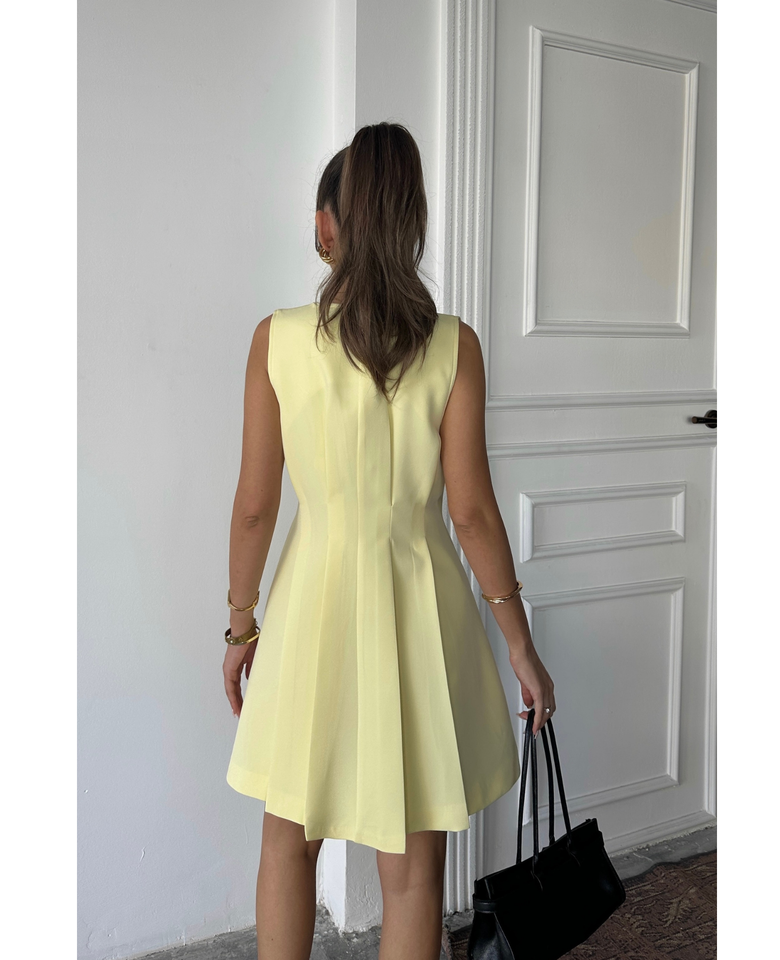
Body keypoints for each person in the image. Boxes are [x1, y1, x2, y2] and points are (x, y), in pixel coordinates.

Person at [221, 123, 555, 960]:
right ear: (412, 224)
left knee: (288, 839)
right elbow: (472, 513)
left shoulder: (277, 339)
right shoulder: (453, 345)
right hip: (421, 609)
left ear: (328, 227)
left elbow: (256, 508)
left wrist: (240, 626)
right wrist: (519, 645)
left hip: (310, 609)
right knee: (411, 869)